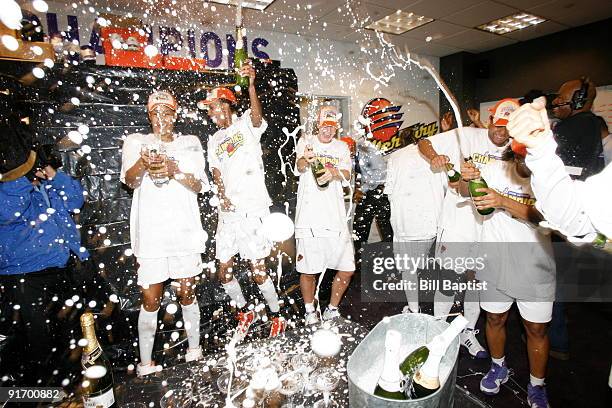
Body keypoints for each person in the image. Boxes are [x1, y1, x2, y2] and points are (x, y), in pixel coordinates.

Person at [416, 99, 520, 359]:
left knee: (476, 284)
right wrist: (435, 157)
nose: (502, 132)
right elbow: (424, 143)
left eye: (508, 127)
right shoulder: (467, 135)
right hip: (457, 224)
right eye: (498, 124)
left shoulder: (516, 150)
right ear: (491, 119)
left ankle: (467, 332)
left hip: (490, 229)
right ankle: (438, 333)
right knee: (448, 281)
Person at [120, 91, 209, 376]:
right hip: (151, 236)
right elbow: (130, 181)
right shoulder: (136, 142)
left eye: (167, 113)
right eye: (156, 113)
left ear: (175, 115)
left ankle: (194, 350)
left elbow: (198, 185)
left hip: (185, 233)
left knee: (187, 292)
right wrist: (143, 164)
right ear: (149, 116)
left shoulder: (190, 143)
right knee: (150, 299)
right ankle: (146, 364)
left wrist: (175, 170)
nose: (162, 119)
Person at [460, 141, 555, 408]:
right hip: (495, 262)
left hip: (536, 265)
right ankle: (498, 366)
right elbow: (464, 191)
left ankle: (537, 385)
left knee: (536, 328)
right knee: (494, 318)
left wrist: (502, 200)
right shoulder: (493, 168)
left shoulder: (550, 177)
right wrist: (468, 180)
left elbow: (544, 218)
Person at [0, 110, 89, 386]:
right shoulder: (9, 185)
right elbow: (8, 212)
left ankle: (66, 389)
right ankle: (37, 394)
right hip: (25, 277)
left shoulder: (49, 185)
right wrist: (24, 176)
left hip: (62, 268)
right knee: (37, 345)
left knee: (67, 336)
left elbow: (75, 201)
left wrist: (52, 172)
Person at [202, 61, 285, 339]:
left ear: (225, 105)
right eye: (210, 108)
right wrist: (222, 194)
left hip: (253, 209)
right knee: (224, 270)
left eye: (213, 106)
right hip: (229, 214)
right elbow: (215, 169)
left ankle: (276, 315)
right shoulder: (214, 140)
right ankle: (245, 310)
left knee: (257, 270)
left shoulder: (246, 126)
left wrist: (251, 85)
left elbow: (259, 119)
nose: (211, 112)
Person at [295, 105, 355, 325]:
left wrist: (334, 172)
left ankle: (331, 308)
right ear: (318, 124)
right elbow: (299, 166)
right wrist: (307, 159)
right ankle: (310, 311)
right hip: (309, 219)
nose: (328, 131)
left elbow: (347, 173)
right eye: (324, 126)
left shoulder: (341, 147)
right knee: (308, 270)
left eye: (332, 127)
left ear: (336, 126)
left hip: (336, 218)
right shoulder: (306, 142)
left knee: (347, 268)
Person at [384, 132, 447, 313]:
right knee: (435, 267)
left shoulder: (395, 157)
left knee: (408, 270)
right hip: (434, 222)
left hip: (406, 223)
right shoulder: (435, 154)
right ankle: (439, 312)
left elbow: (389, 192)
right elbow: (446, 187)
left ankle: (413, 309)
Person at [551, 77, 604, 180]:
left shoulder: (571, 126)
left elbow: (554, 167)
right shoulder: (591, 122)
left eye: (560, 98)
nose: (554, 102)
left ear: (578, 100)